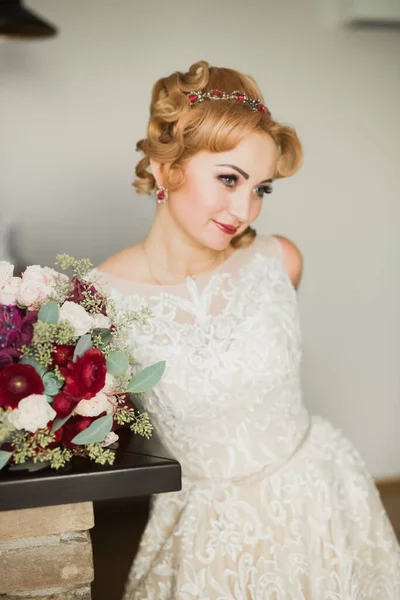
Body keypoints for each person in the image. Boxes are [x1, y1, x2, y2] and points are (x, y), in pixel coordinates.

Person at [93, 61, 400, 599]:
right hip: (206, 532)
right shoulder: (101, 300)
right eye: (229, 179)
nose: (245, 209)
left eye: (261, 189)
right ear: (166, 170)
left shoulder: (279, 262)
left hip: (320, 502)